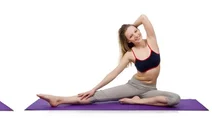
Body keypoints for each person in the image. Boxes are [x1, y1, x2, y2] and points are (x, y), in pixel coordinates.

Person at [37, 14, 180, 107]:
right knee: (97, 97)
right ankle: (60, 99)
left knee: (174, 99)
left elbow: (143, 17)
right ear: (128, 41)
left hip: (150, 91)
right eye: (131, 36)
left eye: (135, 31)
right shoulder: (130, 54)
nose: (135, 35)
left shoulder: (151, 41)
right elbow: (114, 73)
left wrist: (131, 26)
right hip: (134, 86)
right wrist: (94, 88)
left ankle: (137, 101)